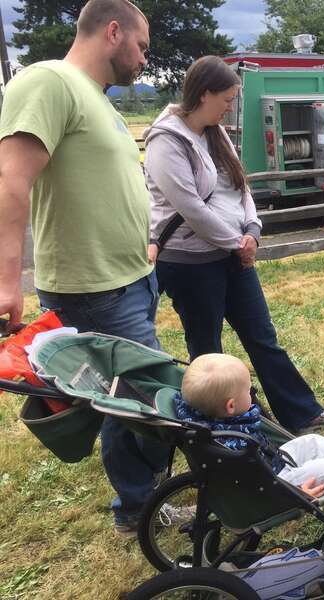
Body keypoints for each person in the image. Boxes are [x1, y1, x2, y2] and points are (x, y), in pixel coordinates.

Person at [0, 0, 170, 536]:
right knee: (132, 404)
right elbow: (10, 181)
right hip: (93, 288)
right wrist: (7, 282)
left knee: (131, 401)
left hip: (129, 279)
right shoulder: (48, 81)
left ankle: (141, 502)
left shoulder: (96, 99)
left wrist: (141, 245)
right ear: (113, 31)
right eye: (141, 46)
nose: (144, 58)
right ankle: (137, 508)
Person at [144, 56, 324, 433]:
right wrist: (236, 242)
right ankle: (224, 426)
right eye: (226, 99)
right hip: (190, 263)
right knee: (207, 351)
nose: (230, 107)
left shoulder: (214, 131)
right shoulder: (166, 141)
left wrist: (252, 229)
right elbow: (188, 206)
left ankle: (301, 414)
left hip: (234, 253)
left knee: (262, 336)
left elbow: (242, 186)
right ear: (204, 95)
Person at [175, 354, 324, 512]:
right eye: (248, 389)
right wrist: (298, 492)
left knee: (312, 442)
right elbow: (252, 484)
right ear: (231, 406)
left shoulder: (203, 418)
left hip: (271, 465)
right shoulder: (232, 444)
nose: (251, 393)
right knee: (323, 470)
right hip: (273, 488)